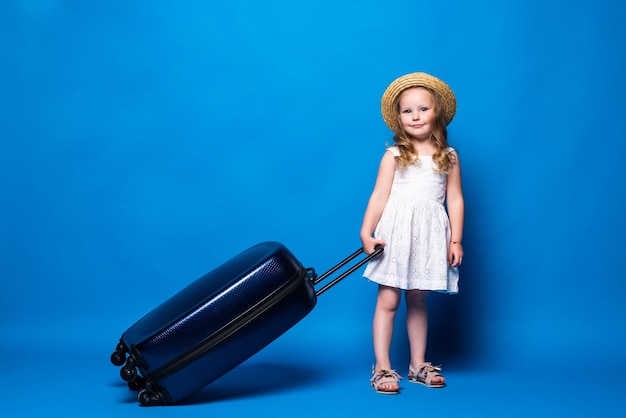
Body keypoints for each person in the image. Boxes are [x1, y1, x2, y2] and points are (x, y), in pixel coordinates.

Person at [360, 72, 464, 394]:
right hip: (396, 235)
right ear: (399, 118)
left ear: (437, 113)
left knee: (418, 300)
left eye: (423, 109)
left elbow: (455, 199)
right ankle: (382, 366)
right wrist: (366, 233)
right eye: (408, 111)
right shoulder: (393, 155)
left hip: (430, 236)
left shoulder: (448, 156)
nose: (415, 116)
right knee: (389, 299)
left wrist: (456, 239)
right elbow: (379, 196)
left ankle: (418, 364)